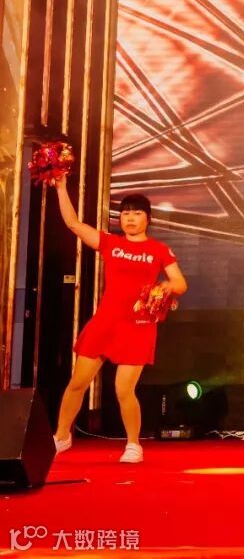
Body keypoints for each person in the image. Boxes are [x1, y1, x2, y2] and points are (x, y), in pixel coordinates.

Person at [52, 177, 187, 463]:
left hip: (138, 326)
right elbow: (73, 224)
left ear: (147, 219)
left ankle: (133, 445)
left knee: (123, 389)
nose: (130, 218)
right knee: (77, 383)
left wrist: (165, 287)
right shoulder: (110, 243)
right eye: (125, 214)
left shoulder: (159, 250)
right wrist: (61, 187)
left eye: (136, 213)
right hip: (105, 323)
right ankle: (61, 437)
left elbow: (180, 283)